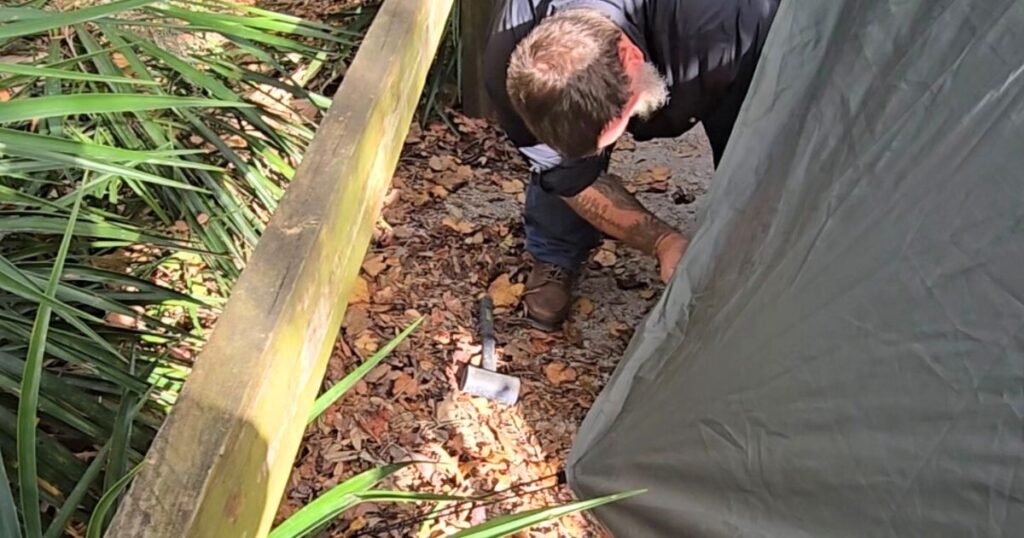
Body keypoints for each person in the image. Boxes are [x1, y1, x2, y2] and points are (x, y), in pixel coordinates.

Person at [484, 0, 779, 330]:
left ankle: (746, 268)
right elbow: (567, 178)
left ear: (629, 56)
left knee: (746, 155)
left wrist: (748, 218)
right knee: (561, 173)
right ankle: (556, 252)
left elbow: (765, 138)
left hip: (718, 51)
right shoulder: (510, 65)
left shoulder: (730, 24)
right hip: (663, 47)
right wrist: (663, 241)